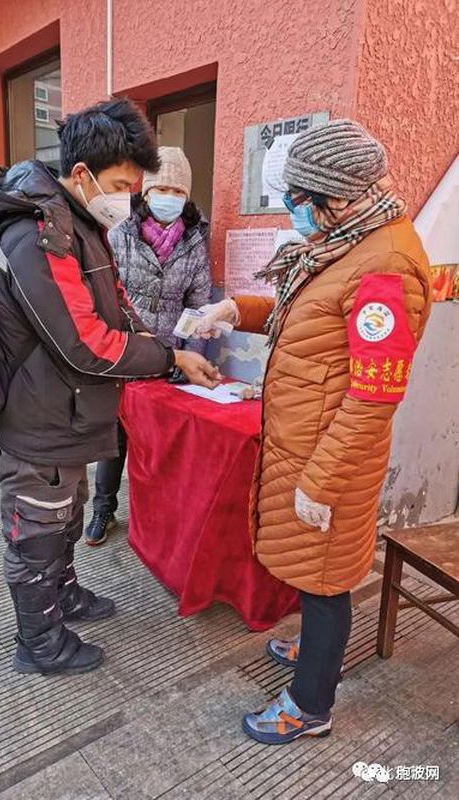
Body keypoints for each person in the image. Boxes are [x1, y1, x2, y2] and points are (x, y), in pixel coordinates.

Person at [197, 120, 431, 744]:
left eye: (301, 199)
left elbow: (374, 391)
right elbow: (309, 316)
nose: (294, 210)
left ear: (339, 195)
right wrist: (236, 309)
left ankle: (309, 707)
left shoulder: (386, 266)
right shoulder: (349, 241)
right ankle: (315, 656)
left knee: (326, 580)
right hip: (305, 444)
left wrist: (321, 481)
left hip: (331, 458)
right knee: (313, 571)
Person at [0, 99, 220, 676]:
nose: (127, 199)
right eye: (119, 184)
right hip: (40, 416)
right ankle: (39, 643)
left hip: (71, 412)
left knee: (67, 511)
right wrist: (169, 357)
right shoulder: (38, 236)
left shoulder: (79, 224)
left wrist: (170, 345)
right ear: (82, 174)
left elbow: (118, 309)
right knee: (38, 526)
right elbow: (85, 342)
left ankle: (65, 596)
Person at [85, 146, 212, 545]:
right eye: (162, 189)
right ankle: (103, 508)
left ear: (186, 197)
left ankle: (155, 520)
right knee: (115, 434)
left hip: (172, 352)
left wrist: (191, 353)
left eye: (177, 191)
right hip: (127, 348)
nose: (169, 198)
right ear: (146, 192)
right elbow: (106, 295)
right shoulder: (120, 234)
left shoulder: (195, 242)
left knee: (160, 442)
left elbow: (200, 305)